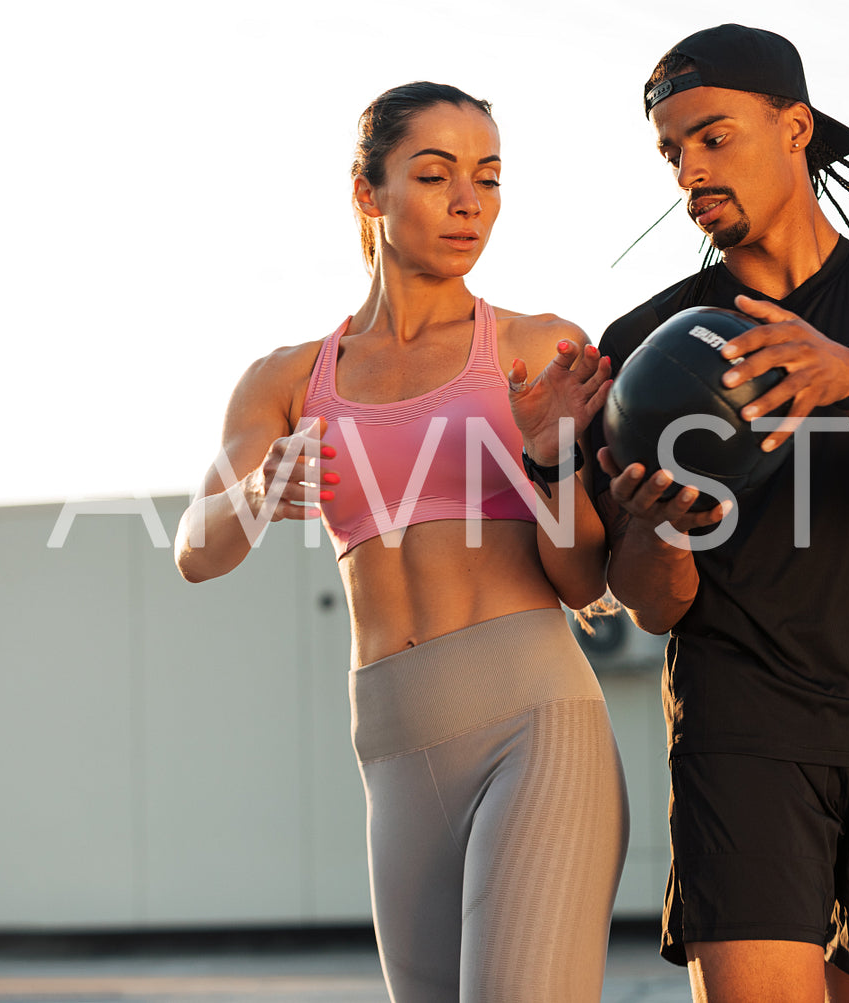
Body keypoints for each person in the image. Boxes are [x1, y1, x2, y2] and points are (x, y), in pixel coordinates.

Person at [586, 26, 849, 1003]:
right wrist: (653, 526)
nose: (687, 169)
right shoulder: (644, 345)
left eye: (710, 136)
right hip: (736, 733)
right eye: (669, 151)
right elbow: (648, 604)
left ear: (794, 127)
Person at [174, 81, 629, 1002]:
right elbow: (195, 547)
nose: (469, 201)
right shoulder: (289, 377)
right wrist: (259, 490)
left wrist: (551, 461)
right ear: (367, 192)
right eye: (434, 174)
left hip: (533, 722)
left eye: (489, 177)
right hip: (391, 745)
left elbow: (582, 582)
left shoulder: (537, 349)